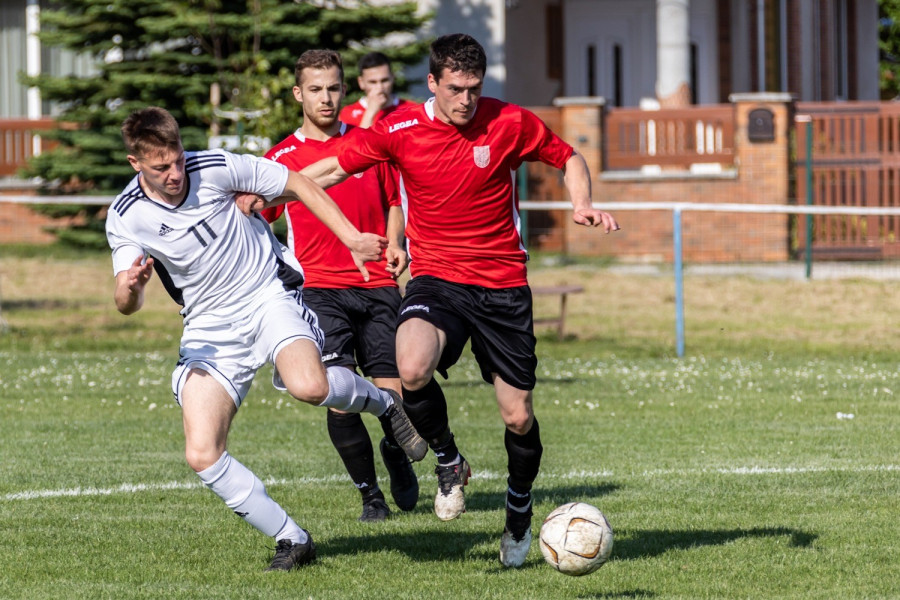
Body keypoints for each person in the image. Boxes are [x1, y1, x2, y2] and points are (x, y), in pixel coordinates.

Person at [287, 33, 620, 568]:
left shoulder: (509, 121)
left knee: (517, 416)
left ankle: (518, 509)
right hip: (437, 278)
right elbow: (330, 167)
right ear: (433, 83)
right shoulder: (398, 129)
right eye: (455, 89)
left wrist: (581, 201)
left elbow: (569, 155)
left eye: (474, 88)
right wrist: (269, 186)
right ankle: (449, 460)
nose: (466, 100)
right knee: (410, 364)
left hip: (504, 285)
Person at [106, 106, 426, 572]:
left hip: (266, 295)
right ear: (136, 164)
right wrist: (131, 289)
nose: (175, 173)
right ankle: (292, 538)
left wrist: (353, 238)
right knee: (201, 453)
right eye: (161, 168)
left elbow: (296, 181)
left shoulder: (213, 166)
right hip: (209, 327)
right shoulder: (125, 215)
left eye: (176, 158)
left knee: (311, 387)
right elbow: (123, 301)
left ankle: (384, 403)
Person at [258, 49, 419, 522]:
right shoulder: (279, 161)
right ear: (298, 94)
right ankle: (370, 496)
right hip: (319, 291)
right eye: (315, 89)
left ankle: (395, 456)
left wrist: (394, 244)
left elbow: (395, 200)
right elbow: (258, 219)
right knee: (339, 394)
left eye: (332, 88)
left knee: (395, 395)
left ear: (344, 90)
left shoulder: (371, 144)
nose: (325, 98)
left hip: (379, 288)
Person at [338, 51, 415, 128]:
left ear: (392, 78)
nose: (380, 87)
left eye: (384, 80)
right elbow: (356, 140)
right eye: (373, 82)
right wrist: (370, 112)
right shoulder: (348, 114)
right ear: (361, 82)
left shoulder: (411, 109)